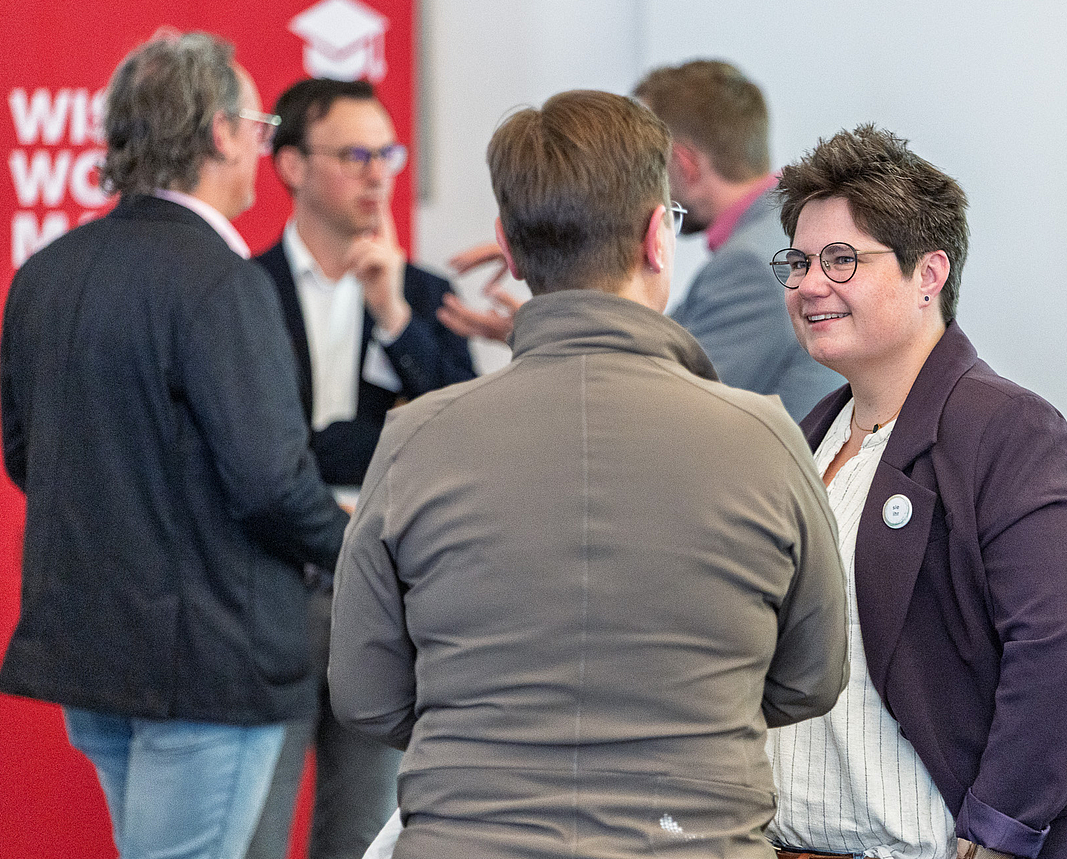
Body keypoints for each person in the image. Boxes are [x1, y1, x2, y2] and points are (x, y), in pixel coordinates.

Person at [328, 89, 850, 859]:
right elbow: (813, 678)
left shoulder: (416, 441)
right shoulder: (764, 440)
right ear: (655, 235)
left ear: (508, 247)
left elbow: (368, 697)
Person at [0, 31, 350, 859]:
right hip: (211, 659)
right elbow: (269, 483)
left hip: (95, 651)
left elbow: (26, 458)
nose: (261, 145)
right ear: (223, 133)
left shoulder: (46, 272)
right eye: (258, 124)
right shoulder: (223, 282)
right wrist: (363, 547)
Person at [764, 124, 1067, 859]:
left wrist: (998, 832)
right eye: (798, 262)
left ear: (928, 273)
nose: (809, 285)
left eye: (841, 260)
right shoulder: (807, 438)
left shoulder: (1007, 429)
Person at [246, 77, 474, 859]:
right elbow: (243, 454)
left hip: (388, 592)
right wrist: (345, 445)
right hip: (268, 588)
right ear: (291, 166)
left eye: (388, 152)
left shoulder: (427, 297)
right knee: (254, 829)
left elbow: (465, 441)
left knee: (365, 830)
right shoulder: (241, 291)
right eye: (355, 154)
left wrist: (396, 322)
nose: (379, 173)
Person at [437, 59, 842, 422]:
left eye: (647, 167)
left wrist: (548, 330)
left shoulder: (750, 266)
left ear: (684, 163)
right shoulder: (780, 233)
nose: (637, 187)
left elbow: (655, 404)